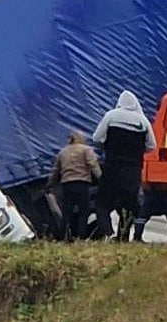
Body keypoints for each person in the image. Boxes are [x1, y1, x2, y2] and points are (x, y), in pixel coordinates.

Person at [92, 90, 156, 240]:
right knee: (129, 206)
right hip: (133, 170)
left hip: (112, 166)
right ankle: (123, 237)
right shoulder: (143, 121)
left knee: (102, 203)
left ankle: (108, 233)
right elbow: (152, 146)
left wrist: (107, 148)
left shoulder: (111, 115)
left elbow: (97, 138)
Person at [46, 131, 101, 241]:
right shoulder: (86, 150)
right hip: (82, 184)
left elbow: (55, 171)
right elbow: (93, 165)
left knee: (67, 212)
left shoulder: (63, 152)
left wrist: (49, 184)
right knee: (83, 211)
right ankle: (81, 236)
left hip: (67, 185)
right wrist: (101, 179)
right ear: (81, 138)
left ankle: (63, 236)